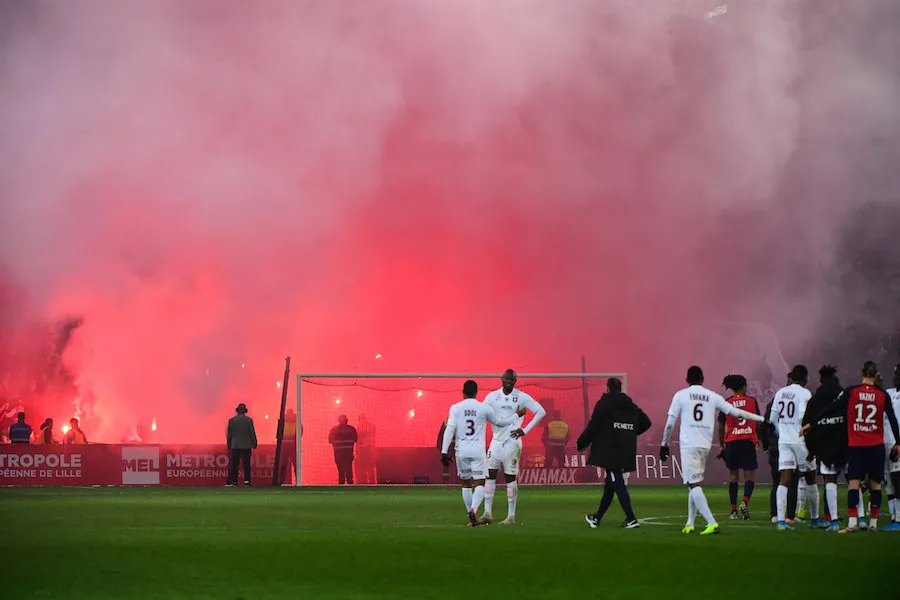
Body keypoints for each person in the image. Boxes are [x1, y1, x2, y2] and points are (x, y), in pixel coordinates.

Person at [660, 365, 764, 535]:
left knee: (694, 484)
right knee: (694, 484)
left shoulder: (680, 395)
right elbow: (736, 413)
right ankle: (690, 522)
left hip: (690, 445)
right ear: (702, 379)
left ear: (687, 380)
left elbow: (671, 422)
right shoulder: (712, 396)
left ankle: (711, 522)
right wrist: (762, 419)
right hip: (705, 445)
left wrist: (664, 443)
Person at [819, 361, 900, 532]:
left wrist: (813, 422)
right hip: (877, 445)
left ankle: (852, 523)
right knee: (876, 484)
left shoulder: (852, 391)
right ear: (876, 374)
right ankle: (873, 524)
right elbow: (892, 420)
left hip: (857, 444)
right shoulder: (883, 394)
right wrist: (899, 442)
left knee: (854, 483)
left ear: (861, 373)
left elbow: (833, 407)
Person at [441, 380, 525, 526]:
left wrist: (443, 451)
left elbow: (449, 429)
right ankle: (474, 509)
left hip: (461, 450)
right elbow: (501, 422)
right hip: (477, 450)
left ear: (463, 392)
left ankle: (470, 516)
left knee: (466, 483)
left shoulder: (455, 408)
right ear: (476, 392)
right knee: (480, 482)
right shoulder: (483, 408)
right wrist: (516, 415)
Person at [578, 377, 651, 529]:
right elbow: (646, 422)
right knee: (610, 485)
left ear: (607, 388)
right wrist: (629, 433)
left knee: (617, 482)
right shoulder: (630, 405)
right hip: (626, 449)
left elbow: (593, 425)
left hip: (610, 450)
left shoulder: (605, 403)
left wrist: (582, 443)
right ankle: (596, 518)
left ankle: (631, 518)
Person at [479, 369, 547, 526]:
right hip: (496, 442)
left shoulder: (521, 397)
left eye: (512, 380)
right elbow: (482, 412)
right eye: (506, 379)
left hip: (512, 442)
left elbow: (540, 411)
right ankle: (487, 513)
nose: (509, 382)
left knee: (510, 479)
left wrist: (525, 430)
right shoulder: (492, 396)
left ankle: (511, 516)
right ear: (501, 379)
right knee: (489, 477)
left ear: (515, 381)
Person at [803, 366, 844, 528]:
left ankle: (831, 518)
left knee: (829, 480)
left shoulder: (815, 399)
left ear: (820, 380)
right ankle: (859, 518)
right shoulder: (843, 396)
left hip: (824, 443)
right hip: (844, 442)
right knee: (853, 480)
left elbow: (807, 424)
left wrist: (811, 449)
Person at [716, 375, 760, 520]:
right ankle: (744, 502)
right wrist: (758, 439)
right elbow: (758, 422)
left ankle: (733, 511)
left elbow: (721, 427)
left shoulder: (726, 403)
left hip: (732, 443)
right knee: (749, 477)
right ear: (743, 387)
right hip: (747, 441)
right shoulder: (752, 402)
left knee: (733, 477)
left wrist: (722, 445)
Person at [882, 364, 900, 531]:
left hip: (897, 444)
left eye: (897, 374)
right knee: (888, 482)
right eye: (894, 373)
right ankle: (894, 517)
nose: (895, 377)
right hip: (885, 443)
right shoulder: (888, 393)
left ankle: (899, 520)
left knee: (897, 480)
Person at [226, 403, 258, 487]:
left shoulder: (232, 420)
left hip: (235, 445)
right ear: (245, 411)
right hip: (246, 445)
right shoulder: (248, 420)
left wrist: (229, 444)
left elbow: (229, 435)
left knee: (234, 464)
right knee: (246, 464)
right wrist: (254, 443)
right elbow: (252, 433)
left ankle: (234, 481)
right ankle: (247, 481)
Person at [328, 415, 358, 485]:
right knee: (349, 471)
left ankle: (341, 487)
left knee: (341, 472)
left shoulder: (334, 430)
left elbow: (330, 440)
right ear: (347, 420)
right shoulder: (352, 429)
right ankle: (350, 488)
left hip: (338, 455)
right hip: (349, 454)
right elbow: (356, 439)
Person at [355, 414, 377, 484]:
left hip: (364, 450)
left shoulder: (360, 427)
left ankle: (364, 483)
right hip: (371, 450)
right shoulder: (372, 426)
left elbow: (358, 440)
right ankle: (372, 483)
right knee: (371, 468)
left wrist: (357, 451)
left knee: (363, 468)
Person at [437, 419, 454, 483]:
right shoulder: (446, 422)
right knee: (446, 466)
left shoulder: (463, 419)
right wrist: (440, 447)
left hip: (457, 446)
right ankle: (445, 481)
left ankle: (462, 481)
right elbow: (441, 436)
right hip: (449, 447)